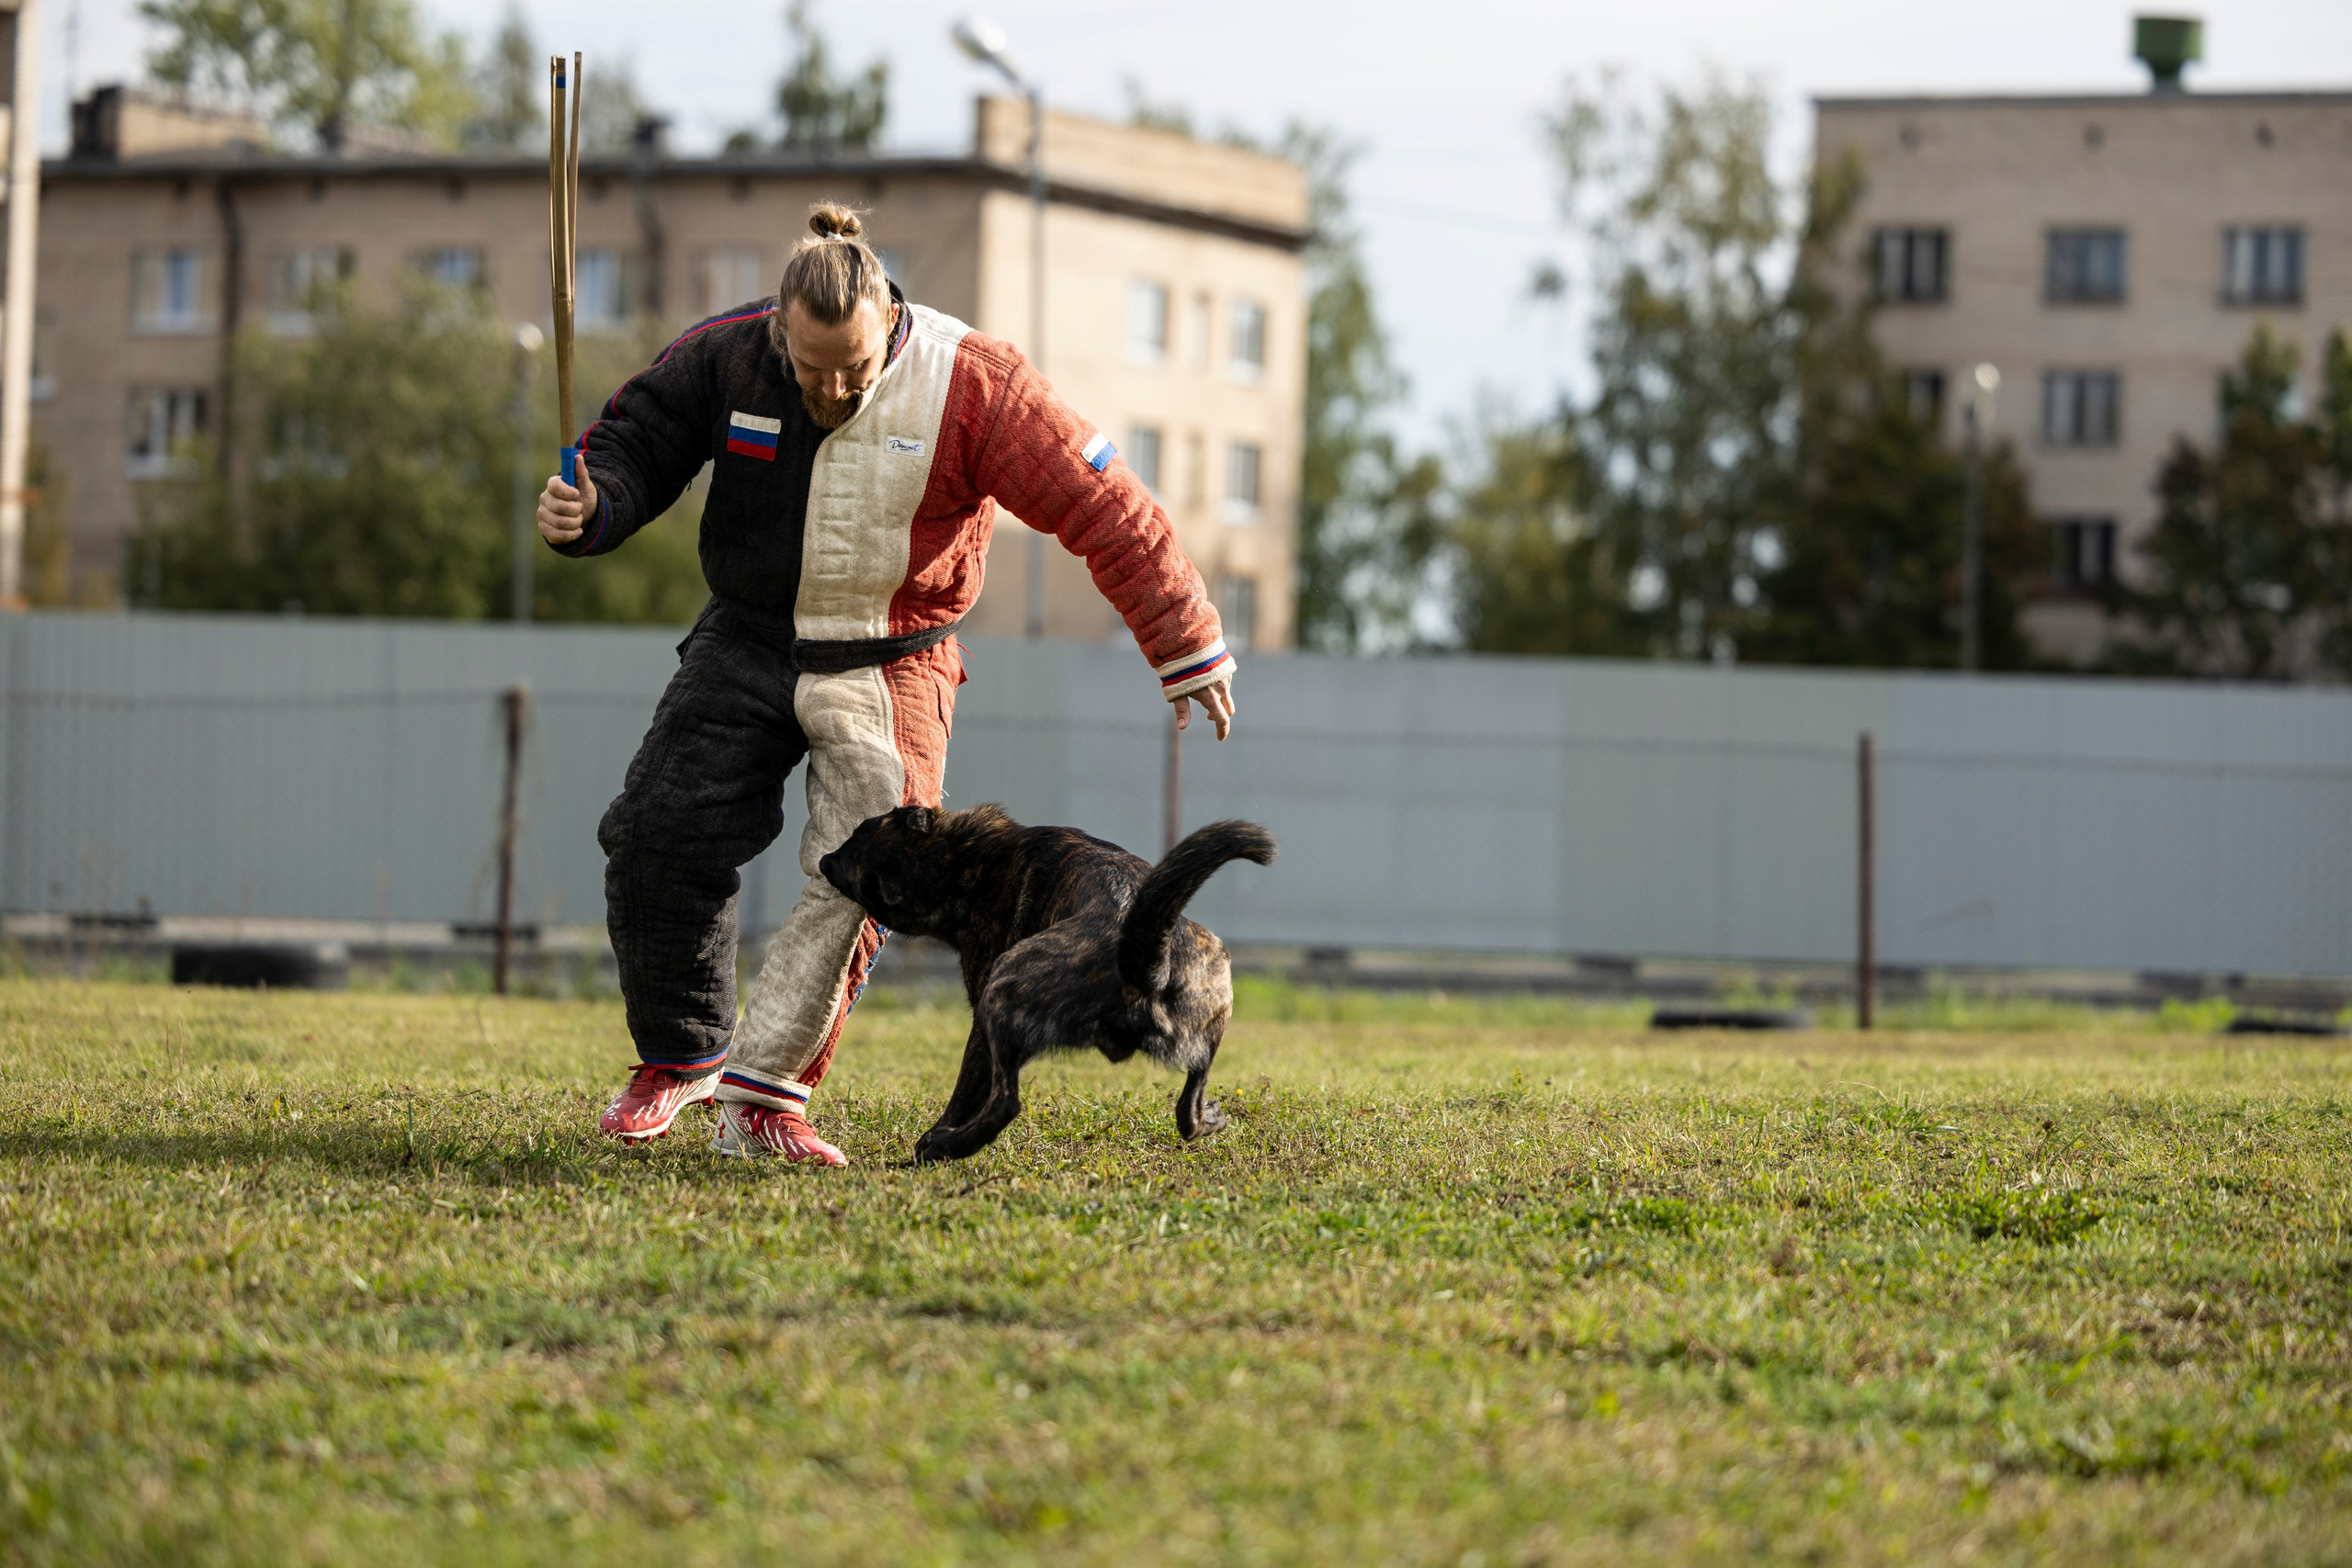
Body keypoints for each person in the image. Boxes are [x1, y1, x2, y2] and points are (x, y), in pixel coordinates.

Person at [537, 202, 1238, 1166]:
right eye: (810, 367)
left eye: (854, 372)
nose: (830, 388)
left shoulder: (976, 384)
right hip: (746, 639)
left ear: (889, 325)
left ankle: (770, 1096)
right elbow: (635, 440)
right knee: (657, 833)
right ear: (778, 324)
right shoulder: (725, 355)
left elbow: (1099, 499)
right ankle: (680, 1056)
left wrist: (1182, 637)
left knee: (870, 871)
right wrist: (595, 503)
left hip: (898, 655)